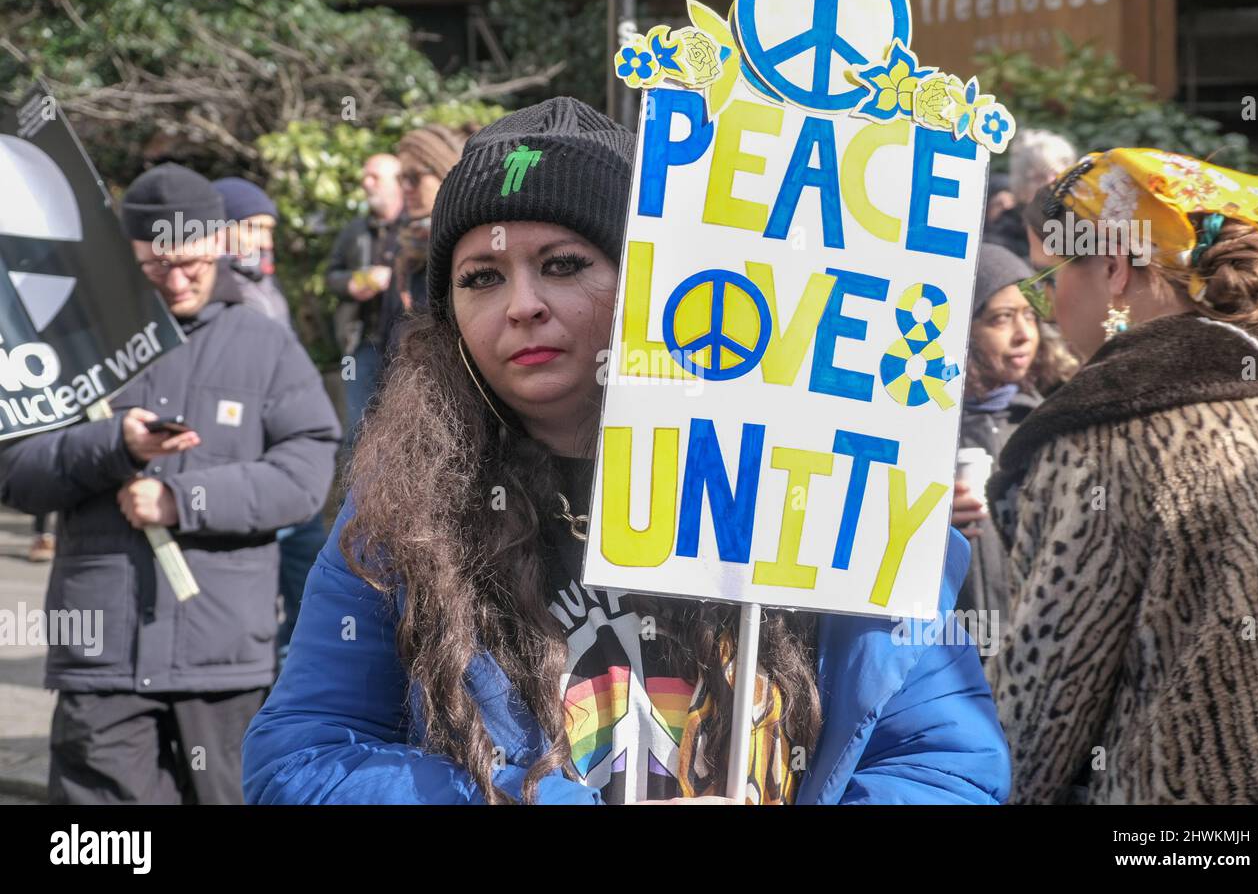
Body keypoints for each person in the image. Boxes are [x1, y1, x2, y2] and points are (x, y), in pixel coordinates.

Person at [242, 97, 1010, 806]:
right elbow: (300, 762)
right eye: (481, 277)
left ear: (651, 280)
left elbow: (946, 767)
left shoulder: (824, 488)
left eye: (564, 264)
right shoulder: (401, 518)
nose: (522, 305)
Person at [0, 163, 341, 804]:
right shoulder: (73, 343)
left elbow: (304, 474)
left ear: (218, 246)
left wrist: (187, 500)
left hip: (222, 660)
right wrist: (114, 446)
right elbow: (18, 474)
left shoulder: (264, 344)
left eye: (193, 263)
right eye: (156, 266)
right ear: (125, 257)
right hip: (101, 660)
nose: (178, 281)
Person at [985, 148, 1258, 803]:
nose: (1047, 308)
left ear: (1114, 268)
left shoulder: (1107, 434)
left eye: (1050, 278)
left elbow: (1041, 706)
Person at [212, 177, 329, 670]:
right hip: (248, 465)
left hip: (287, 463)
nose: (264, 240)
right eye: (253, 228)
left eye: (268, 229)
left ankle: (294, 672)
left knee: (307, 583)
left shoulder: (264, 285)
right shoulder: (214, 293)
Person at [949, 244, 1075, 622]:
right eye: (1002, 318)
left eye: (1029, 316)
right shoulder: (928, 430)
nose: (1023, 334)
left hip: (1028, 649)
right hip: (947, 654)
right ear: (963, 328)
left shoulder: (1048, 421)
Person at [326, 154, 406, 442]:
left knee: (407, 427)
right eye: (364, 177)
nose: (366, 183)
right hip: (363, 342)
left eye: (374, 177)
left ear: (397, 183)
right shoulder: (355, 230)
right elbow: (331, 276)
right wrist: (355, 282)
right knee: (357, 430)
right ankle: (358, 489)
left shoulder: (418, 226)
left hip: (408, 343)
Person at [375, 125, 464, 363]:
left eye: (414, 177)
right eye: (401, 178)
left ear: (445, 171)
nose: (405, 188)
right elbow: (388, 335)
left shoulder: (468, 245)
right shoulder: (405, 246)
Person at [211, 177, 291, 328]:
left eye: (269, 230)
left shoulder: (265, 278)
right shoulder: (203, 289)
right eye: (252, 228)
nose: (267, 243)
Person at [988, 130, 1078, 263]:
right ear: (1021, 183)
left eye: (1057, 174)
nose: (1049, 183)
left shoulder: (1079, 220)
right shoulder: (1004, 231)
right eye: (1039, 177)